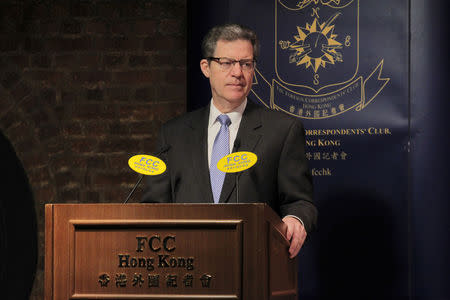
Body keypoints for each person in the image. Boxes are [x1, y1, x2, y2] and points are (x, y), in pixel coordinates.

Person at [142, 23, 317, 258]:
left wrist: (296, 220)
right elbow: (154, 207)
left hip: (254, 263)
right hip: (186, 264)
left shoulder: (282, 130)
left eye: (246, 64)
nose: (238, 73)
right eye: (226, 63)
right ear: (206, 67)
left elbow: (300, 202)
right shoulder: (173, 134)